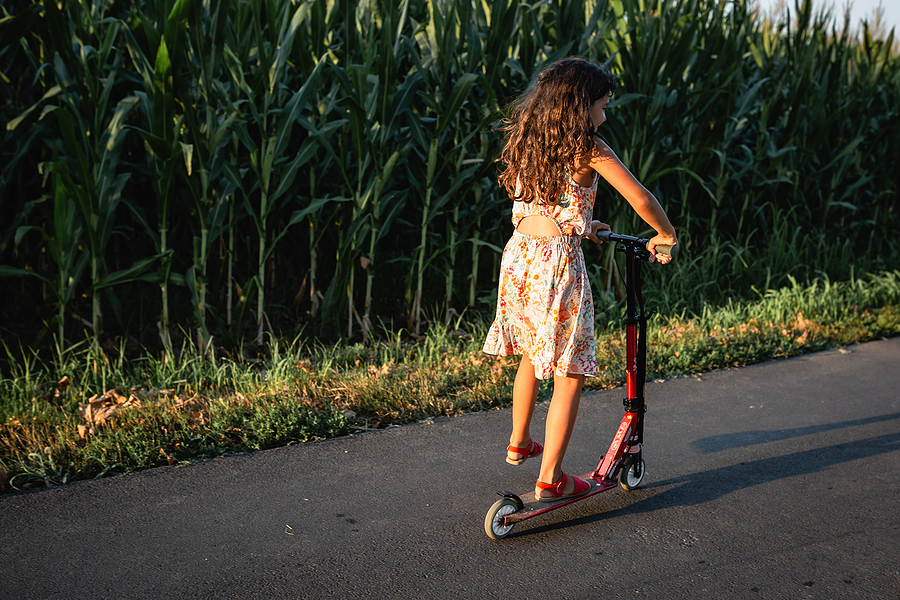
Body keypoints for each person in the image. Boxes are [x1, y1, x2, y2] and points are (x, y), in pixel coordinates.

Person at [483, 57, 677, 502]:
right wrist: (665, 234)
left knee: (532, 354)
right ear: (579, 105)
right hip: (556, 265)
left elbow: (542, 206)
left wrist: (585, 225)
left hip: (519, 257)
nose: (604, 116)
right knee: (570, 370)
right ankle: (549, 478)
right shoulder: (587, 148)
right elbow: (641, 198)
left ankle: (519, 442)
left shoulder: (529, 139)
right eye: (602, 105)